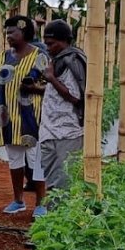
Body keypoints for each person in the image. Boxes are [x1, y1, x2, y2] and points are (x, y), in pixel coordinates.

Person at [0, 15, 46, 216]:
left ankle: (41, 203)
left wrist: (35, 88)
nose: (8, 36)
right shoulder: (3, 57)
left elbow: (49, 85)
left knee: (36, 160)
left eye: (12, 32)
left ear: (25, 32)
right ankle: (18, 200)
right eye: (7, 32)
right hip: (7, 118)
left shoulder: (39, 56)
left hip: (31, 118)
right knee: (15, 159)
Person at [34, 19, 86, 211]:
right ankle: (55, 221)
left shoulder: (72, 61)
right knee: (53, 183)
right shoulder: (57, 60)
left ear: (65, 41)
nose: (48, 48)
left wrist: (51, 78)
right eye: (46, 44)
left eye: (52, 44)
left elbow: (74, 96)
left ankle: (62, 221)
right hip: (50, 130)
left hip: (68, 132)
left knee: (64, 183)